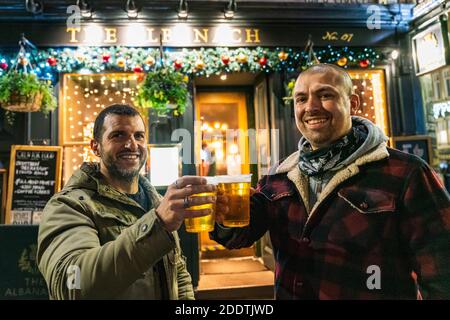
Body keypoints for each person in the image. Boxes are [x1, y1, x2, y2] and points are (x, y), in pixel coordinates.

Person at [212, 64, 450, 299]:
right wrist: (222, 216)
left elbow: (442, 271)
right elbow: (239, 236)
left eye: (325, 95)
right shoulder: (279, 175)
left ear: (353, 104)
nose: (311, 107)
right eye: (301, 99)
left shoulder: (405, 172)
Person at [37, 104, 216, 299]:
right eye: (118, 135)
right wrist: (156, 226)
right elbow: (71, 286)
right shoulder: (69, 206)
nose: (132, 145)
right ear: (95, 146)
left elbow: (178, 275)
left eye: (139, 136)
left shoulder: (155, 200)